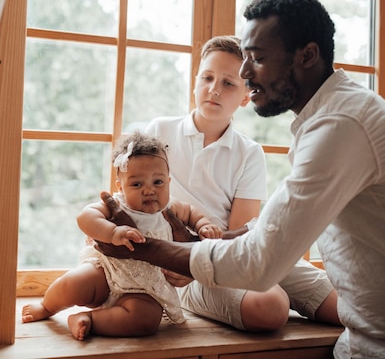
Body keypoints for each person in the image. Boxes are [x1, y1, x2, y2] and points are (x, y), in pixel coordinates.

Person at [96, 0, 385, 358]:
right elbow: (273, 226)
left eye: (257, 58)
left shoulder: (340, 125)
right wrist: (184, 245)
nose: (244, 73)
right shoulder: (328, 118)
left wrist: (152, 249)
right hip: (366, 341)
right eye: (211, 76)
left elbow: (260, 259)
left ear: (307, 56)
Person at [144, 34, 339, 332]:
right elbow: (133, 201)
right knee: (271, 307)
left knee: (350, 305)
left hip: (234, 252)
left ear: (246, 96)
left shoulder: (249, 153)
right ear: (195, 82)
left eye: (228, 83)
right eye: (207, 78)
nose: (214, 90)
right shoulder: (159, 130)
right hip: (181, 267)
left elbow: (240, 238)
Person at [21, 131, 223, 341]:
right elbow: (85, 217)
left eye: (158, 182)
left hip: (146, 288)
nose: (149, 190)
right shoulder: (118, 204)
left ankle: (89, 319)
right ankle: (46, 306)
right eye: (137, 184)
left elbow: (192, 212)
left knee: (146, 321)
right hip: (106, 273)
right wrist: (112, 232)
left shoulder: (170, 208)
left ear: (169, 181)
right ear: (120, 187)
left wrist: (204, 225)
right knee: (72, 284)